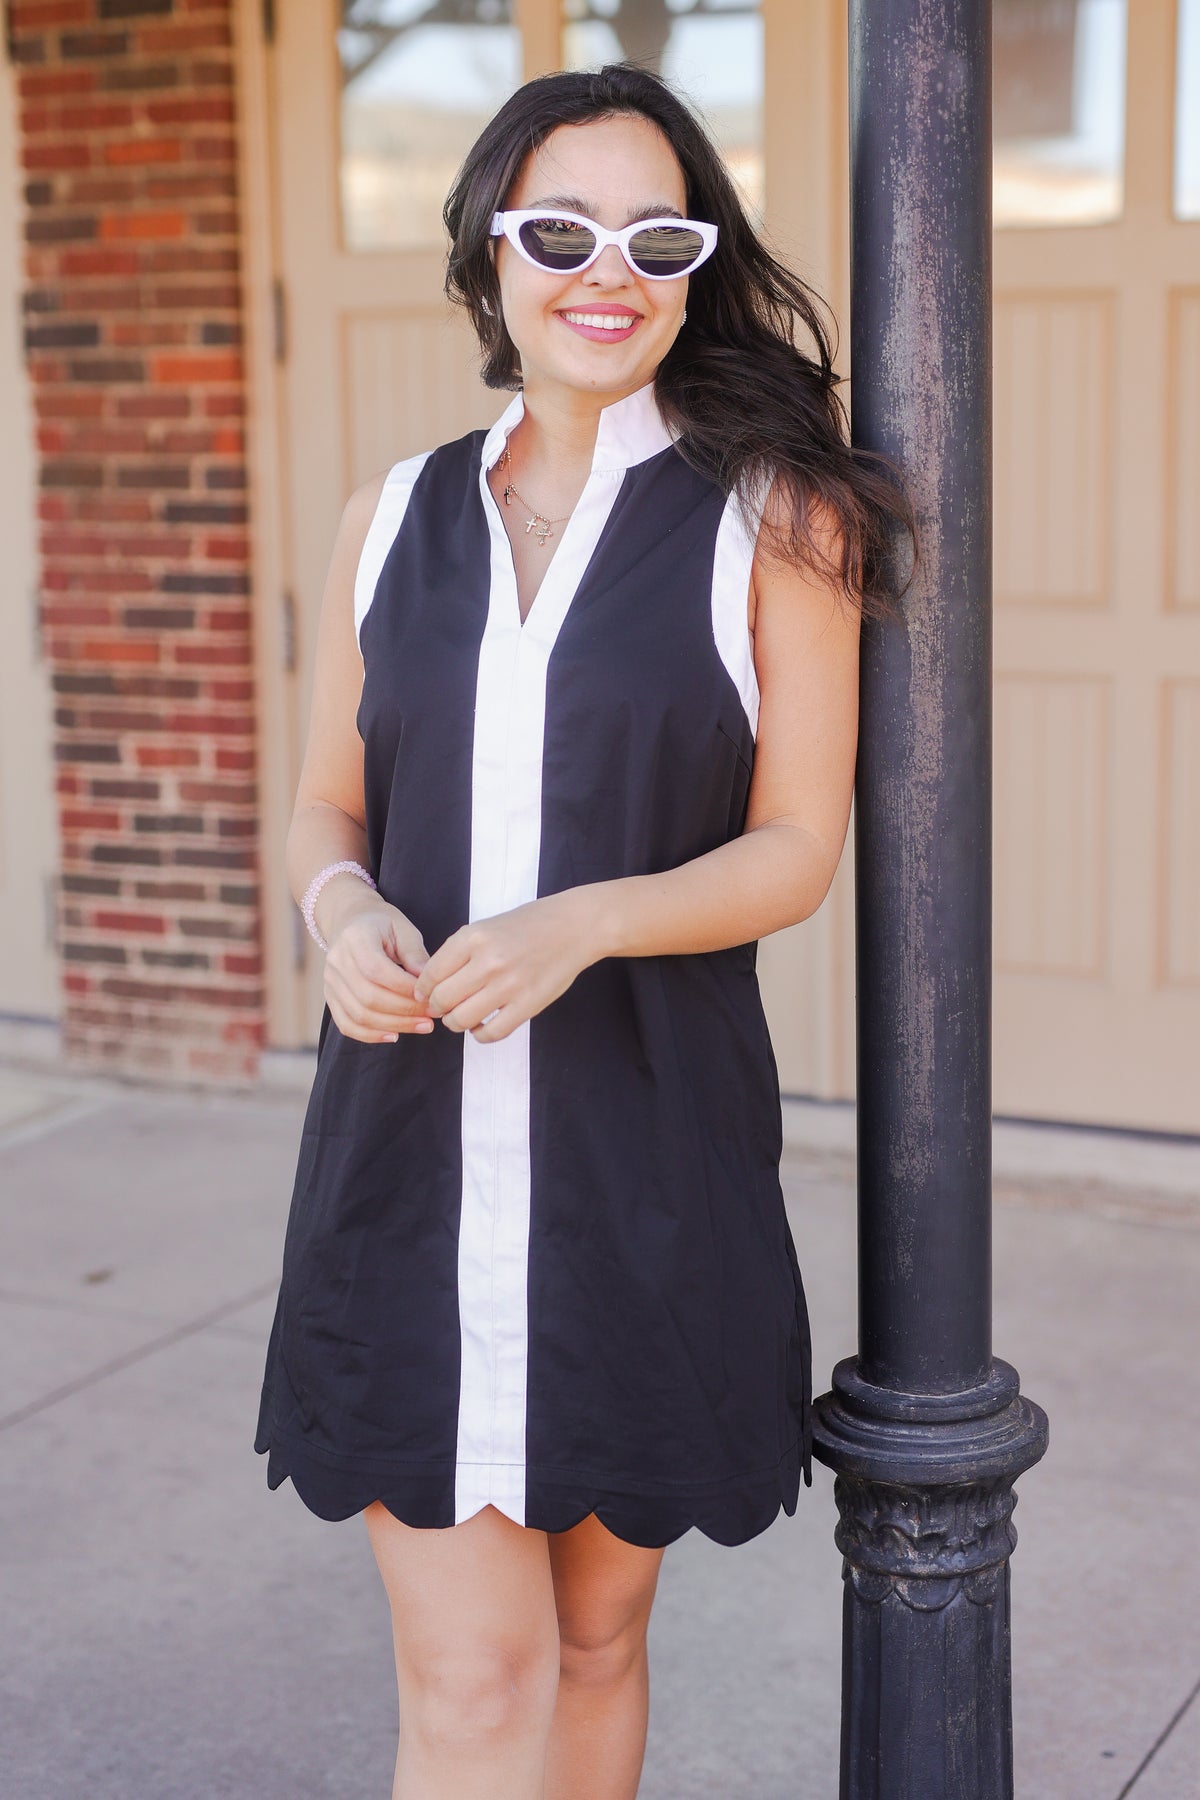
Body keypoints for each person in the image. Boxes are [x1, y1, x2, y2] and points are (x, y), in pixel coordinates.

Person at [254, 60, 912, 1800]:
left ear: (697, 267)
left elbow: (797, 848)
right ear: (491, 248)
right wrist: (340, 907)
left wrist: (584, 924)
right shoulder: (392, 517)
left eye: (655, 237)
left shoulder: (779, 521)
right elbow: (325, 806)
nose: (606, 270)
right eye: (560, 231)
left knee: (601, 1645)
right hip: (407, 1171)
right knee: (478, 1681)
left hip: (649, 1164)